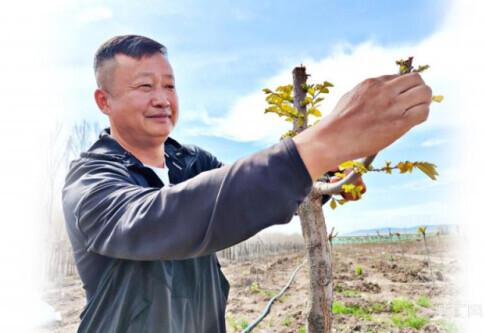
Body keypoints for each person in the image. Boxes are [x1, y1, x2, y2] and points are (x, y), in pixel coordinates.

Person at [62, 35, 431, 332]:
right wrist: (320, 143)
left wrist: (322, 174)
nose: (162, 99)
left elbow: (241, 196)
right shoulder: (92, 179)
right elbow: (156, 218)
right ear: (103, 101)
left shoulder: (191, 161)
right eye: (145, 86)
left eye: (170, 86)